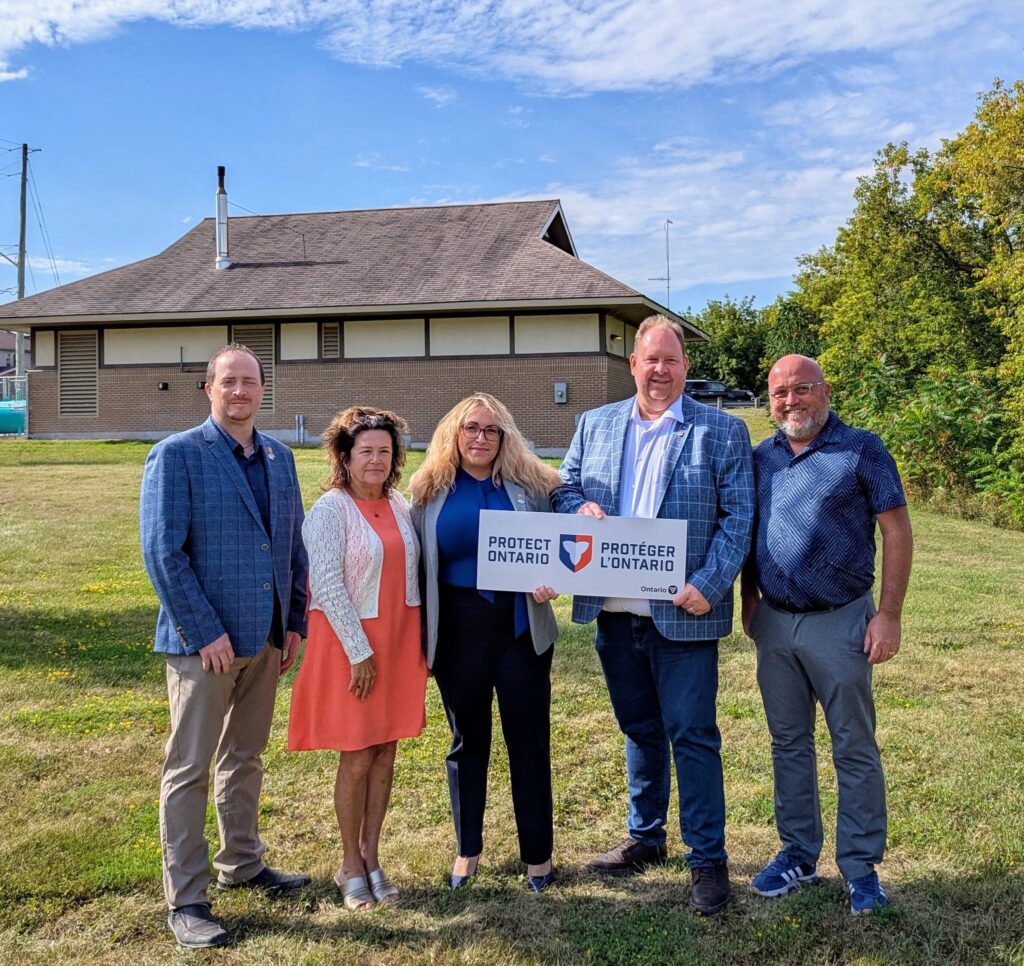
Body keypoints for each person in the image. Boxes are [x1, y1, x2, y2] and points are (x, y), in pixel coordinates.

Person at [554, 314, 754, 916]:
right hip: (614, 612)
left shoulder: (721, 431)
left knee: (692, 735)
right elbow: (562, 488)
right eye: (651, 360)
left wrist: (710, 584)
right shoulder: (596, 424)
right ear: (633, 364)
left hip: (684, 610)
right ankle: (645, 837)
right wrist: (581, 504)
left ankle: (707, 861)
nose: (660, 371)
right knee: (638, 730)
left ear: (684, 368)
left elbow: (737, 517)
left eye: (672, 360)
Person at [140, 344, 310, 950]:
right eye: (228, 382)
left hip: (266, 640)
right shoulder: (178, 456)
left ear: (263, 390)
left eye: (250, 382)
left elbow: (291, 544)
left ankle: (242, 860)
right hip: (204, 646)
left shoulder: (281, 458)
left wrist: (294, 623)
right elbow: (164, 553)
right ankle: (187, 899)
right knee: (188, 768)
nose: (240, 392)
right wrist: (202, 631)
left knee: (246, 757)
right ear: (208, 389)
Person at [740, 355, 912, 916]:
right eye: (781, 393)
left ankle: (861, 868)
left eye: (802, 390)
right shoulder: (760, 457)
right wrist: (748, 599)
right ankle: (797, 853)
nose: (792, 402)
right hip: (776, 622)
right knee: (788, 742)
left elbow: (897, 530)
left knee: (852, 745)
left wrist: (888, 615)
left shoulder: (861, 448)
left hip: (841, 621)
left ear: (824, 390)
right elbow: (746, 532)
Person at [409, 393, 563, 893]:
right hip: (458, 633)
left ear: (505, 438)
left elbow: (558, 545)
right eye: (471, 428)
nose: (480, 438)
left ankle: (538, 858)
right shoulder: (428, 492)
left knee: (529, 743)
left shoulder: (531, 486)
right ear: (454, 434)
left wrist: (549, 577)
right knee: (467, 743)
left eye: (491, 430)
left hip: (519, 631)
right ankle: (466, 850)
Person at [288, 407, 427, 911]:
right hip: (353, 645)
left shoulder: (400, 504)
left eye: (384, 451)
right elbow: (323, 584)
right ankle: (348, 862)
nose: (375, 459)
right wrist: (360, 652)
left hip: (398, 638)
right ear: (344, 457)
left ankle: (372, 855)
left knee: (386, 750)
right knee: (358, 752)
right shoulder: (330, 509)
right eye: (365, 450)